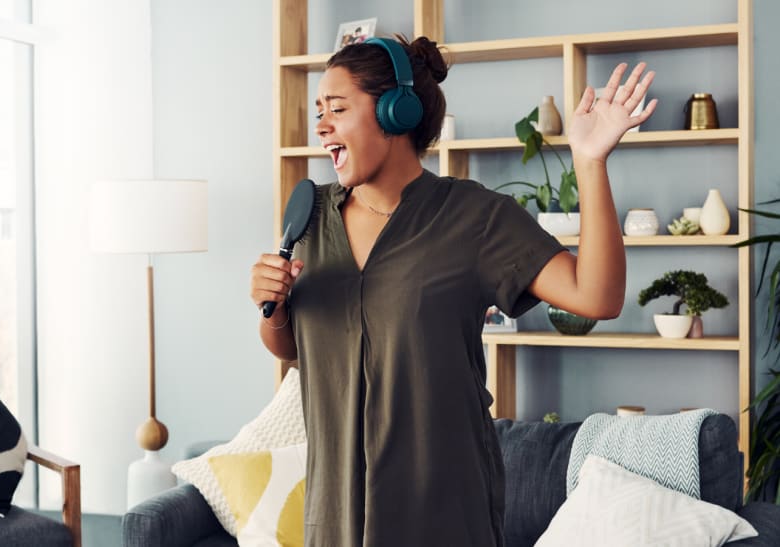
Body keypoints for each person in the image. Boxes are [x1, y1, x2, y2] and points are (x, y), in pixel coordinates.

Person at [249, 34, 656, 546]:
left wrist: (590, 161)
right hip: (334, 515)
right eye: (318, 111)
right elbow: (294, 348)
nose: (321, 125)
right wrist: (273, 309)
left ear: (396, 112)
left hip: (442, 513)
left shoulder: (472, 217)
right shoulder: (307, 214)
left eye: (337, 108)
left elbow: (597, 297)